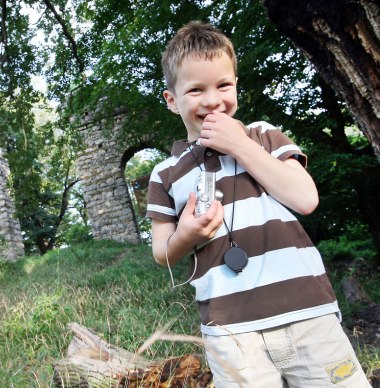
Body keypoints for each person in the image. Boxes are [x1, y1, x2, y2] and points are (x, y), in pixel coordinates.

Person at [146, 20, 371, 387]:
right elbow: (163, 253)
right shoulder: (166, 173)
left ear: (236, 85)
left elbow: (305, 198)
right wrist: (185, 235)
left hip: (308, 315)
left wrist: (239, 145)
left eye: (223, 84)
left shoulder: (262, 136)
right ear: (172, 100)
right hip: (230, 333)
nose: (213, 99)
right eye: (196, 90)